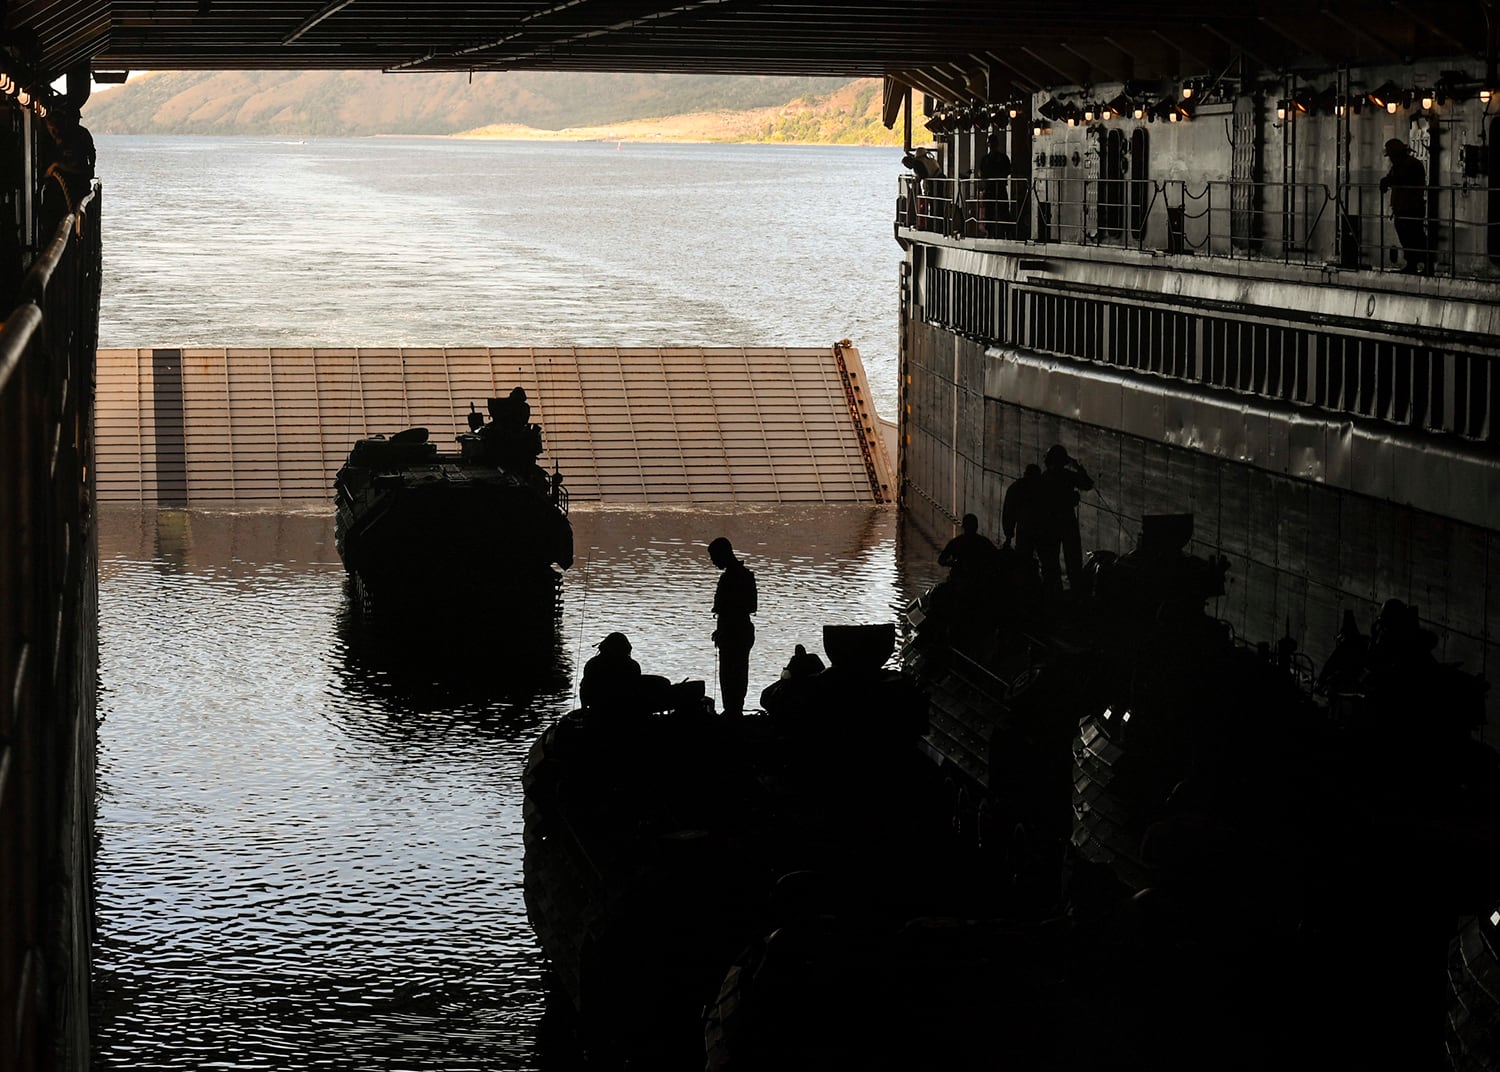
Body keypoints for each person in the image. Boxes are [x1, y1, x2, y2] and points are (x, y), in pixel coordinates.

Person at [708, 536, 757, 716]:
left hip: (733, 635)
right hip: (742, 632)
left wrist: (724, 628)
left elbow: (730, 609)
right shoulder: (746, 576)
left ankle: (731, 712)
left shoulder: (729, 579)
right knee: (739, 674)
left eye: (714, 557)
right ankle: (734, 711)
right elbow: (751, 607)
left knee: (729, 676)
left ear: (723, 554)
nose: (713, 562)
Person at [1037, 445, 1094, 595]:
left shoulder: (1044, 478)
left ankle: (1053, 594)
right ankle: (1076, 593)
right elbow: (1088, 484)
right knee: (1073, 560)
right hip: (1067, 520)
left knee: (1051, 562)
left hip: (1049, 522)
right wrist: (1077, 466)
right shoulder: (1068, 476)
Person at [1379, 139, 1428, 275]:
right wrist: (1386, 181)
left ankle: (1424, 263)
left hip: (1412, 208)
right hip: (1402, 208)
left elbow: (1405, 180)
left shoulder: (1412, 165)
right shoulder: (1399, 166)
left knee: (1415, 236)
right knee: (1406, 237)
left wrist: (1388, 181)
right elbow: (1393, 178)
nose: (1391, 159)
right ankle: (1413, 263)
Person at [579, 631, 643, 711]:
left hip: (597, 707)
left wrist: (583, 710)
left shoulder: (593, 663)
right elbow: (637, 690)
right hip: (626, 708)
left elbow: (585, 688)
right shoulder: (633, 665)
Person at [1002, 464, 1044, 574]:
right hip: (1043, 529)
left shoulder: (1017, 487)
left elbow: (1009, 513)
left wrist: (1008, 536)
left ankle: (1024, 585)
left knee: (1023, 560)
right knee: (1048, 563)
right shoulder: (1043, 486)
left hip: (1025, 529)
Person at [938, 513, 1000, 582]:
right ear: (976, 527)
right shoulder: (984, 542)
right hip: (979, 579)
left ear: (963, 527)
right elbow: (996, 558)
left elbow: (941, 560)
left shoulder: (956, 542)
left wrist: (953, 564)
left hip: (960, 579)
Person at [978, 132, 1012, 237]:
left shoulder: (999, 158)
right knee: (990, 211)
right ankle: (993, 230)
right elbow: (982, 173)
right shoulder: (987, 159)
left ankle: (1004, 230)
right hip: (991, 188)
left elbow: (1007, 170)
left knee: (1002, 210)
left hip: (998, 187)